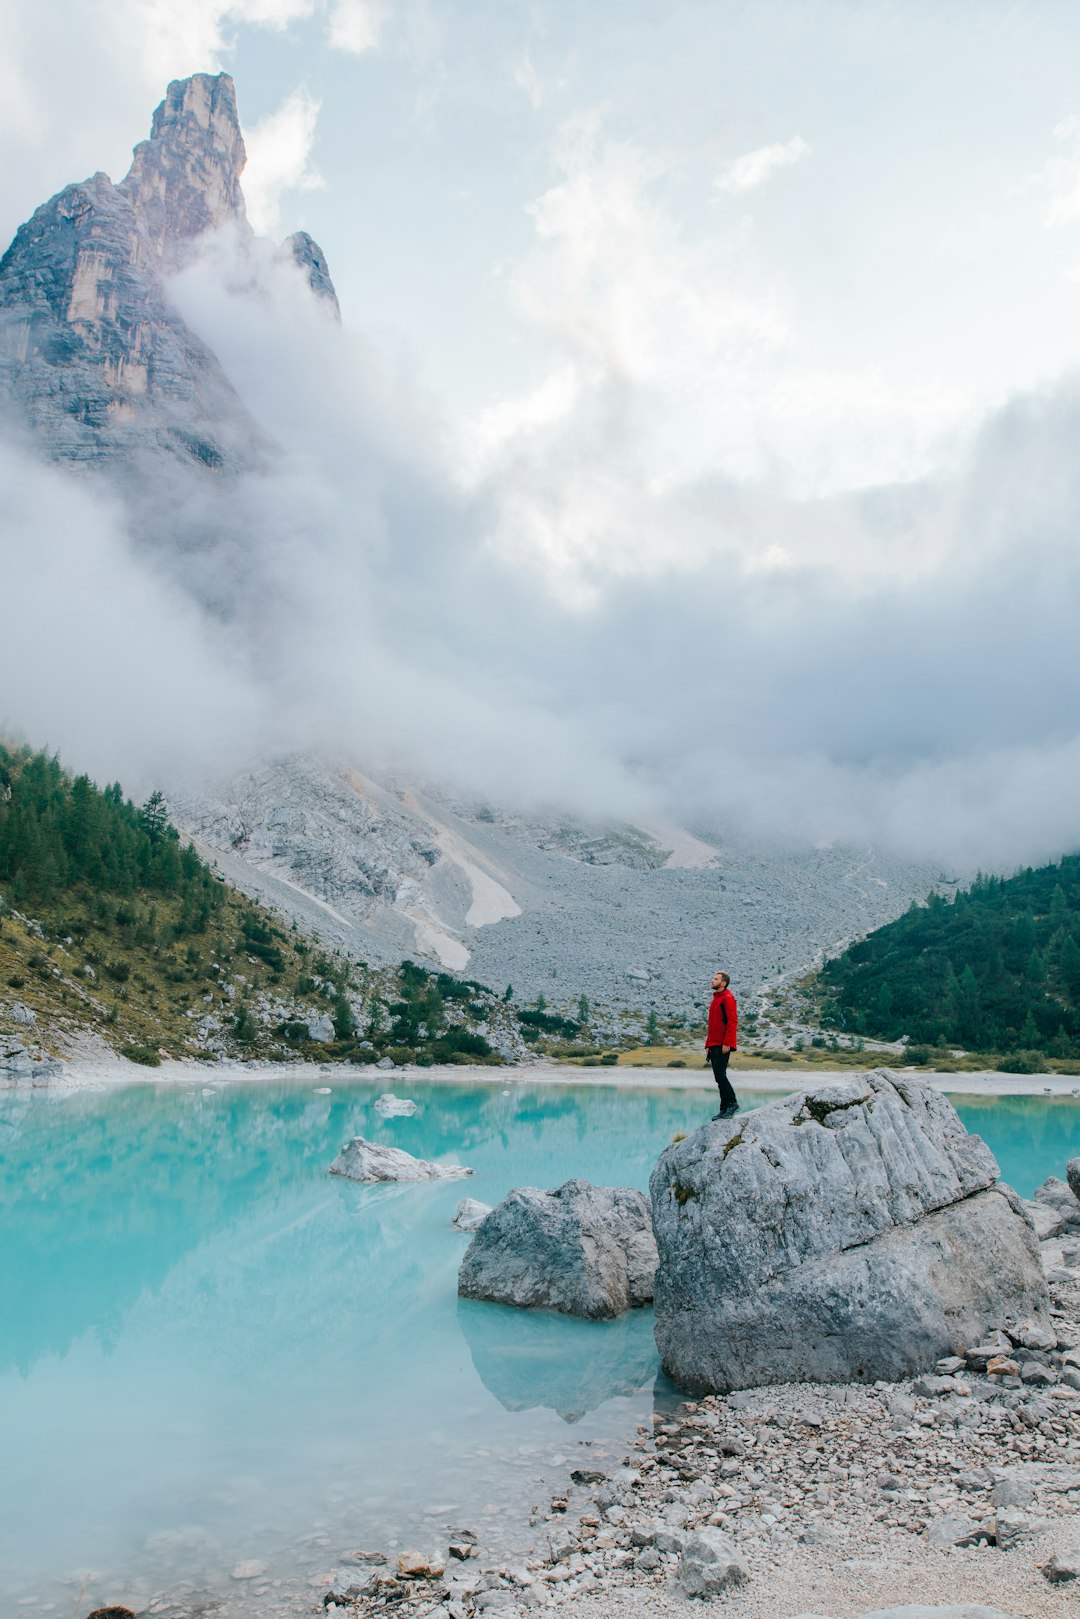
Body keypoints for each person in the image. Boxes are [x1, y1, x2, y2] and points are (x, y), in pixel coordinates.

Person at [705, 969, 739, 1119]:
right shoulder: (716, 999)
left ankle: (732, 1104)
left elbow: (732, 1021)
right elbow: (712, 1025)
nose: (712, 980)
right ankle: (724, 1107)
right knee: (718, 1077)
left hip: (723, 1044)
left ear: (723, 983)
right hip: (714, 1044)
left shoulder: (727, 998)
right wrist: (708, 1045)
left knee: (721, 1076)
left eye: (716, 979)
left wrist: (728, 1042)